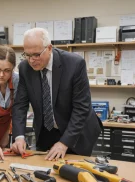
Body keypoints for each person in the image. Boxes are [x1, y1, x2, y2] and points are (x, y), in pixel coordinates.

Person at [11, 28, 102, 160]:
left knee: (73, 172)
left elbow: (82, 107)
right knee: (44, 169)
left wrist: (64, 143)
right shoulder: (25, 68)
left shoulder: (74, 64)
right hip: (47, 131)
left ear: (49, 48)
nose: (31, 60)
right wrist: (19, 137)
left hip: (76, 132)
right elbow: (20, 105)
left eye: (36, 54)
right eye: (27, 55)